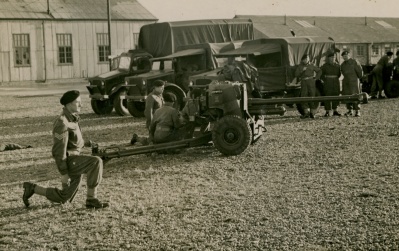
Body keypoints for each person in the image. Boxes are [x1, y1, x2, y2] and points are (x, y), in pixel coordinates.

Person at [22, 90, 109, 209]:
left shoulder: (73, 118)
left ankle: (32, 188)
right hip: (69, 161)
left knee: (65, 197)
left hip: (75, 159)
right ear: (68, 104)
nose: (81, 105)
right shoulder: (62, 123)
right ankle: (91, 199)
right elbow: (59, 151)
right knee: (96, 162)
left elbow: (74, 142)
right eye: (77, 102)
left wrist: (89, 143)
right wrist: (64, 173)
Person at [295, 54, 322, 119]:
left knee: (312, 96)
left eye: (307, 59)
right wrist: (302, 70)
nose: (305, 60)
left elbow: (319, 71)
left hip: (311, 82)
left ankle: (312, 113)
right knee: (304, 96)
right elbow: (296, 74)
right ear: (302, 60)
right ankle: (306, 113)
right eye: (304, 59)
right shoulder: (300, 66)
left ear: (308, 59)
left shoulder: (312, 65)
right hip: (304, 82)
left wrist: (316, 78)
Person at [340, 50, 363, 117]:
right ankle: (349, 110)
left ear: (349, 55)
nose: (345, 57)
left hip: (354, 82)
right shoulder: (343, 65)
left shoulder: (354, 62)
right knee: (347, 95)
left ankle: (357, 111)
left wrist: (357, 79)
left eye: (346, 56)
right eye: (343, 56)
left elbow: (360, 72)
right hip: (346, 82)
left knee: (355, 95)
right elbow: (342, 73)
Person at [321, 52, 342, 117]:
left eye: (334, 57)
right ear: (328, 58)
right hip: (328, 82)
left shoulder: (338, 66)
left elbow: (339, 75)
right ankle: (327, 111)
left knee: (336, 95)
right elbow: (321, 75)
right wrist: (326, 80)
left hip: (335, 82)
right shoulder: (325, 66)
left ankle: (335, 110)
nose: (332, 59)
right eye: (331, 57)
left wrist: (334, 79)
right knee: (327, 95)